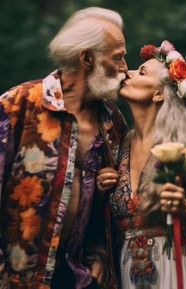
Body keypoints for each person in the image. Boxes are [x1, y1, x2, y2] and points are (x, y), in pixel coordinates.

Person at [0, 7, 128, 289]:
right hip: (19, 277)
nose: (124, 68)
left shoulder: (112, 121)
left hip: (77, 278)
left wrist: (99, 254)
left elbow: (107, 209)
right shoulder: (19, 104)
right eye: (118, 57)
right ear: (86, 58)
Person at [97, 40, 186, 289]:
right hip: (133, 273)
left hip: (184, 268)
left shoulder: (180, 146)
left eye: (142, 72)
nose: (127, 72)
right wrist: (104, 183)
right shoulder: (118, 145)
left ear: (159, 93)